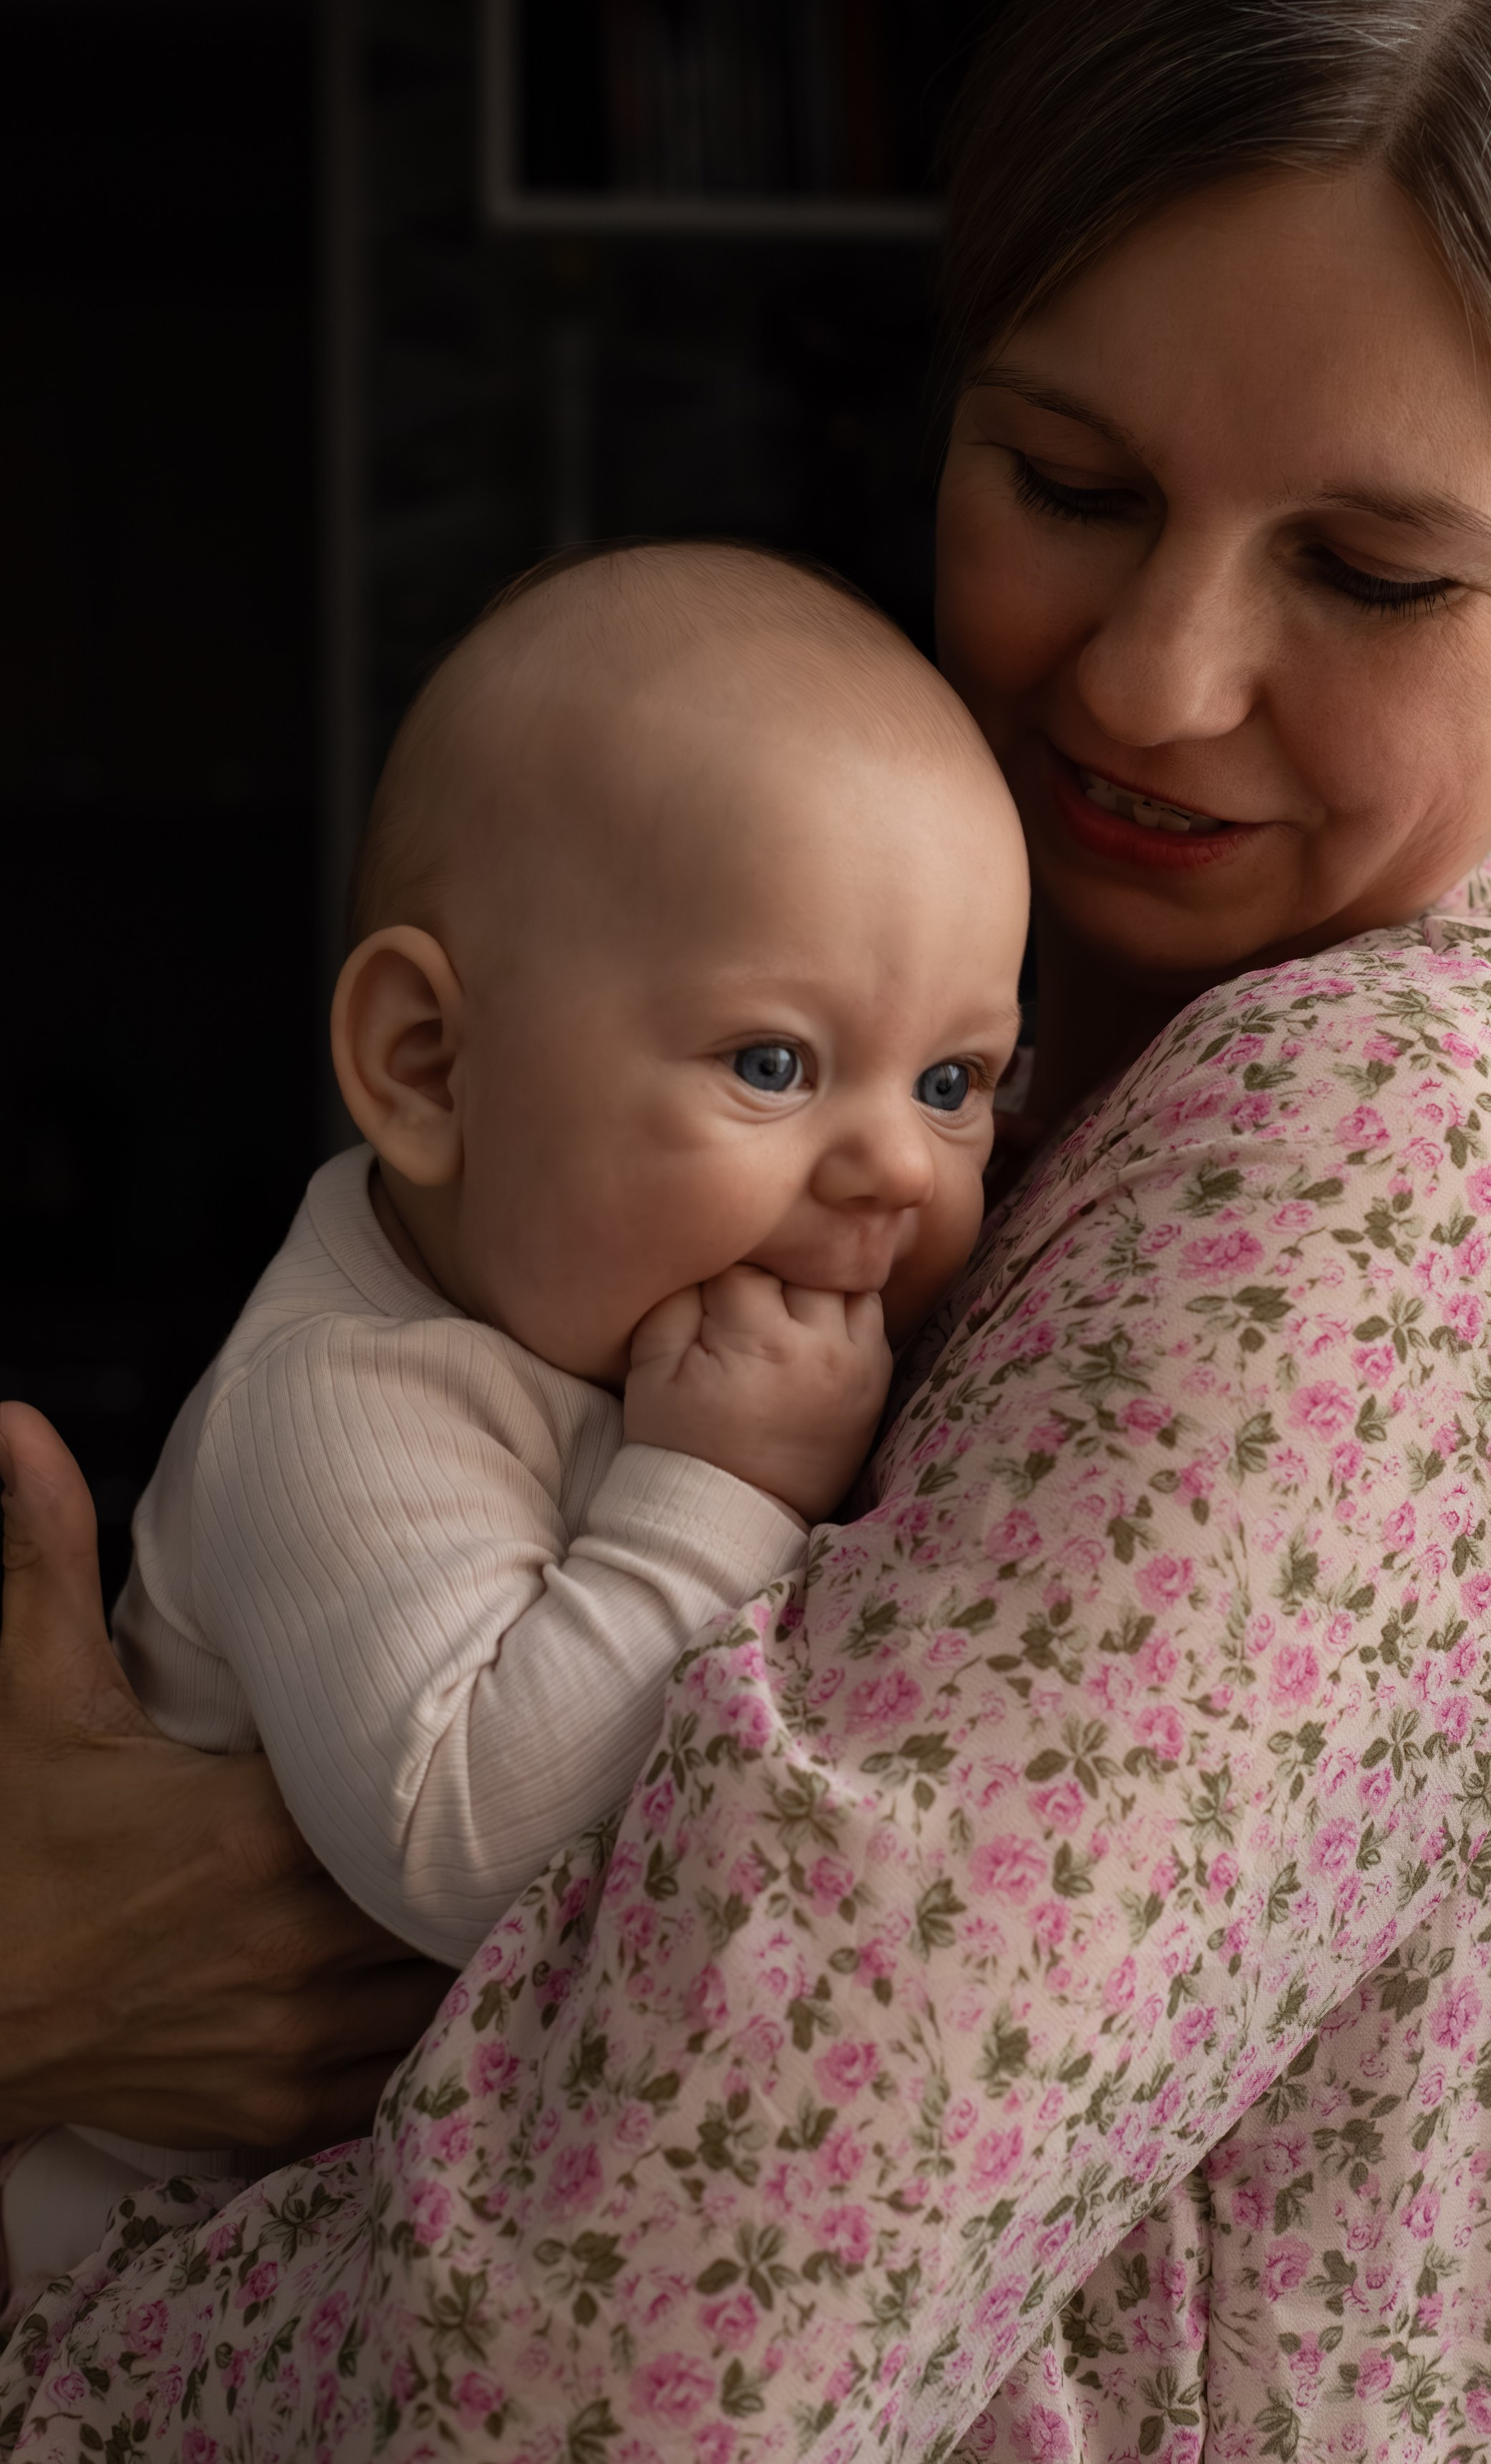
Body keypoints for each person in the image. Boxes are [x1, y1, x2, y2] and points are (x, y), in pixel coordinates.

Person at [0, 0, 1491, 2462]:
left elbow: (631, 2363)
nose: (1158, 684)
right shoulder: (1072, 1037)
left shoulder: (1383, 1186)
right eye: (1068, 483)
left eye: (1372, 576)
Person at [1, 544, 1029, 2305]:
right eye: (772, 1063)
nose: (888, 1168)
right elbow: (469, 1852)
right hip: (135, 2306)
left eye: (951, 1084)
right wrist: (719, 1489)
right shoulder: (337, 1407)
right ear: (426, 1068)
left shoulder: (590, 1321)